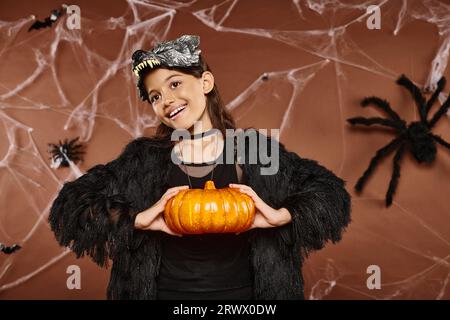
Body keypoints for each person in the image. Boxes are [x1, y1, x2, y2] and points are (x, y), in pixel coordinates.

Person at [48, 34, 351, 300]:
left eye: (175, 83)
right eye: (156, 96)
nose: (167, 100)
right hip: (166, 295)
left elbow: (328, 192)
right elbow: (70, 206)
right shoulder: (144, 158)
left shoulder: (253, 149)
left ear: (205, 82)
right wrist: (136, 220)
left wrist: (278, 216)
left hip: (245, 299)